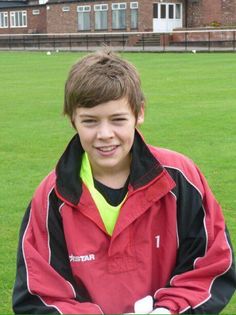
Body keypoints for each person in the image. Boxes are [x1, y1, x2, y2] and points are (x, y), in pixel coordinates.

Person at [12, 49, 236, 314]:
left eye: (118, 119)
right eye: (90, 121)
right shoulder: (50, 197)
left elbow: (212, 263)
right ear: (72, 118)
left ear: (139, 113)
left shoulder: (181, 177)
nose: (105, 134)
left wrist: (167, 310)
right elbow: (38, 295)